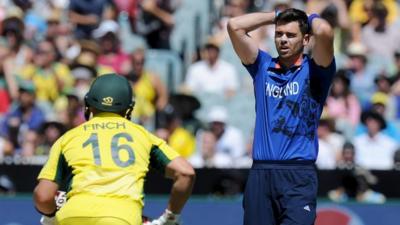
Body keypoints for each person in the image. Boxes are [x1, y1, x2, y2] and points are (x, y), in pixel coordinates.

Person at [33, 74, 195, 225]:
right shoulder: (143, 136)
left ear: (88, 104)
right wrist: (170, 217)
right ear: (128, 108)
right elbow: (185, 173)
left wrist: (51, 217)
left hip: (72, 216)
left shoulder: (68, 138)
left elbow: (43, 196)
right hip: (121, 218)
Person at [228, 8, 335, 225]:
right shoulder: (262, 66)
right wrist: (276, 15)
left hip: (298, 175)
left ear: (306, 39)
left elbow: (324, 31)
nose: (283, 40)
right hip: (261, 174)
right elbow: (234, 26)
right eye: (279, 34)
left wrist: (309, 17)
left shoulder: (316, 70)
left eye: (291, 35)